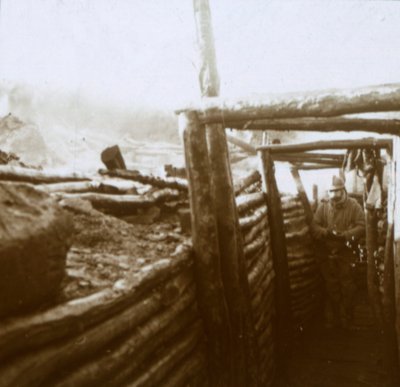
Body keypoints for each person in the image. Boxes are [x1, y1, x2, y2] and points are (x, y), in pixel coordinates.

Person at [312, 175, 365, 328]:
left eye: (337, 191)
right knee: (331, 285)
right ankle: (336, 317)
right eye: (331, 192)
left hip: (346, 252)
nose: (334, 195)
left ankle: (348, 317)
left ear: (343, 190)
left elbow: (362, 225)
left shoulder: (353, 206)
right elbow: (314, 225)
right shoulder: (324, 206)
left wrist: (346, 235)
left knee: (347, 285)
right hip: (328, 254)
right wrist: (325, 232)